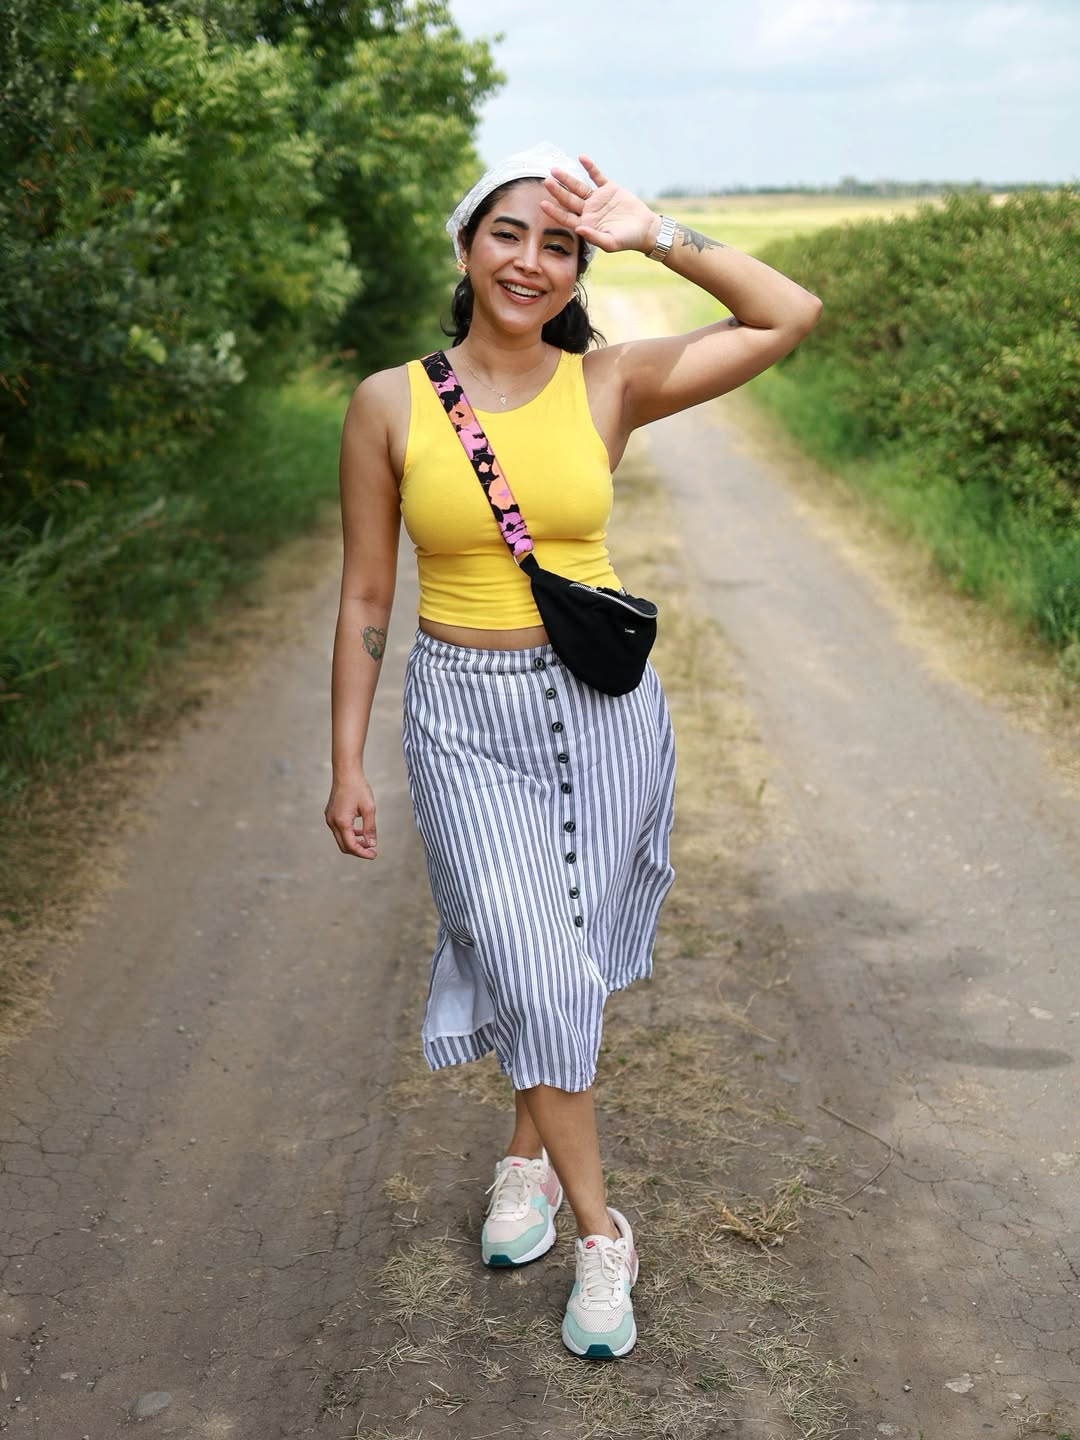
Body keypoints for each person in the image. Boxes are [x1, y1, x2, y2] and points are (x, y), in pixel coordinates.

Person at [325, 142, 821, 1359]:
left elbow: (787, 314)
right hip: (463, 720)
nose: (530, 263)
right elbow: (367, 593)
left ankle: (526, 1160)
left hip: (603, 714)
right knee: (526, 957)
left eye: (560, 245)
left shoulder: (607, 382)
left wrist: (655, 233)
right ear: (465, 247)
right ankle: (604, 1232)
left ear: (576, 269)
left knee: (570, 960)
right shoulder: (389, 402)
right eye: (508, 233)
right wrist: (345, 760)